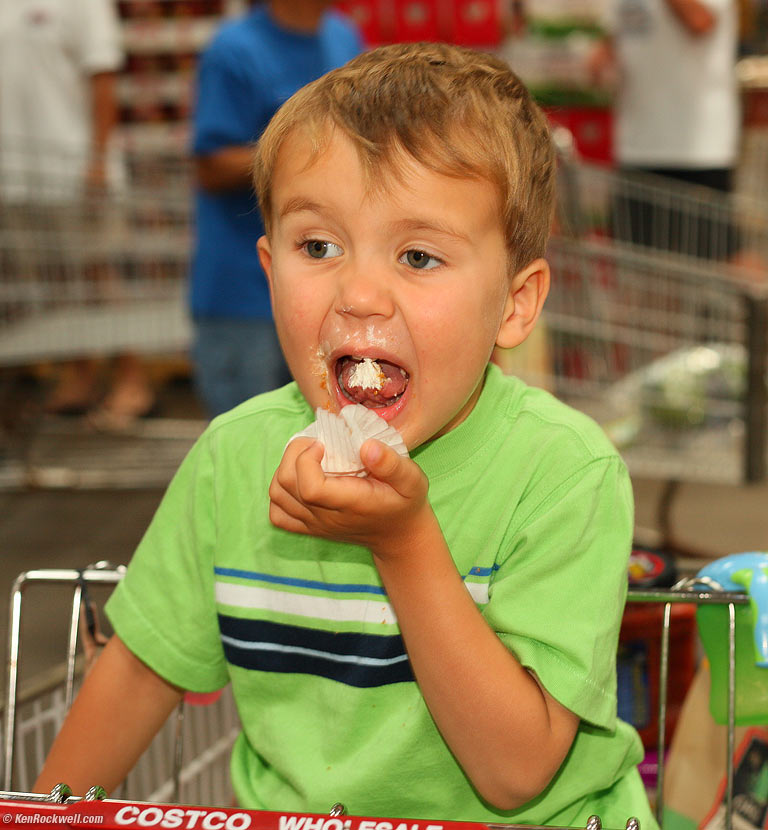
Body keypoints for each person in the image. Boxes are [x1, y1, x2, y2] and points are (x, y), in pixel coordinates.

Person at [34, 43, 656, 827]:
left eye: (419, 255)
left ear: (515, 303)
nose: (359, 293)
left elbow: (517, 772)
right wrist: (43, 813)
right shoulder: (235, 458)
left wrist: (404, 543)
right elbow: (140, 671)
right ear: (268, 269)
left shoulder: (565, 473)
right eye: (317, 247)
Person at [190, 0, 363, 417]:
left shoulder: (344, 37)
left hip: (326, 288)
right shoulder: (233, 51)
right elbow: (211, 166)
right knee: (248, 447)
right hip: (243, 293)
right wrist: (312, 156)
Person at [0, 0, 156, 425]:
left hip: (72, 167)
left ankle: (131, 379)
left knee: (98, 275)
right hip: (17, 173)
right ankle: (81, 374)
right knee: (54, 281)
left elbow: (102, 77)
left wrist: (97, 161)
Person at [590, 0, 742, 259]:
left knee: (718, 258)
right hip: (637, 144)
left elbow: (699, 21)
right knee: (643, 267)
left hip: (699, 147)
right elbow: (611, 43)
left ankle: (756, 296)